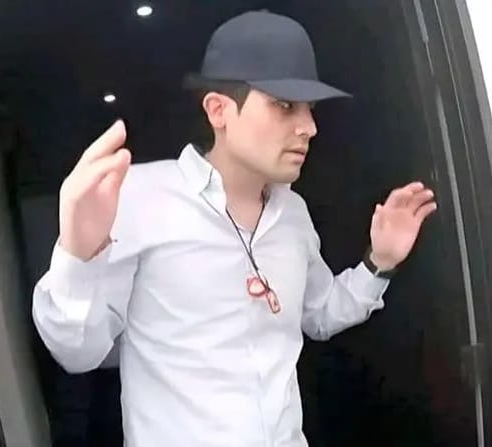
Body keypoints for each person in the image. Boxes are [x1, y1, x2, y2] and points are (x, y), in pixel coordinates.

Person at [32, 10, 437, 447]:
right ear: (219, 110)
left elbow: (318, 314)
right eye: (285, 105)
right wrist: (77, 254)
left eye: (311, 109)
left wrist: (380, 262)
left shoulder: (293, 214)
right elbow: (77, 351)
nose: (309, 127)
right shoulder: (139, 198)